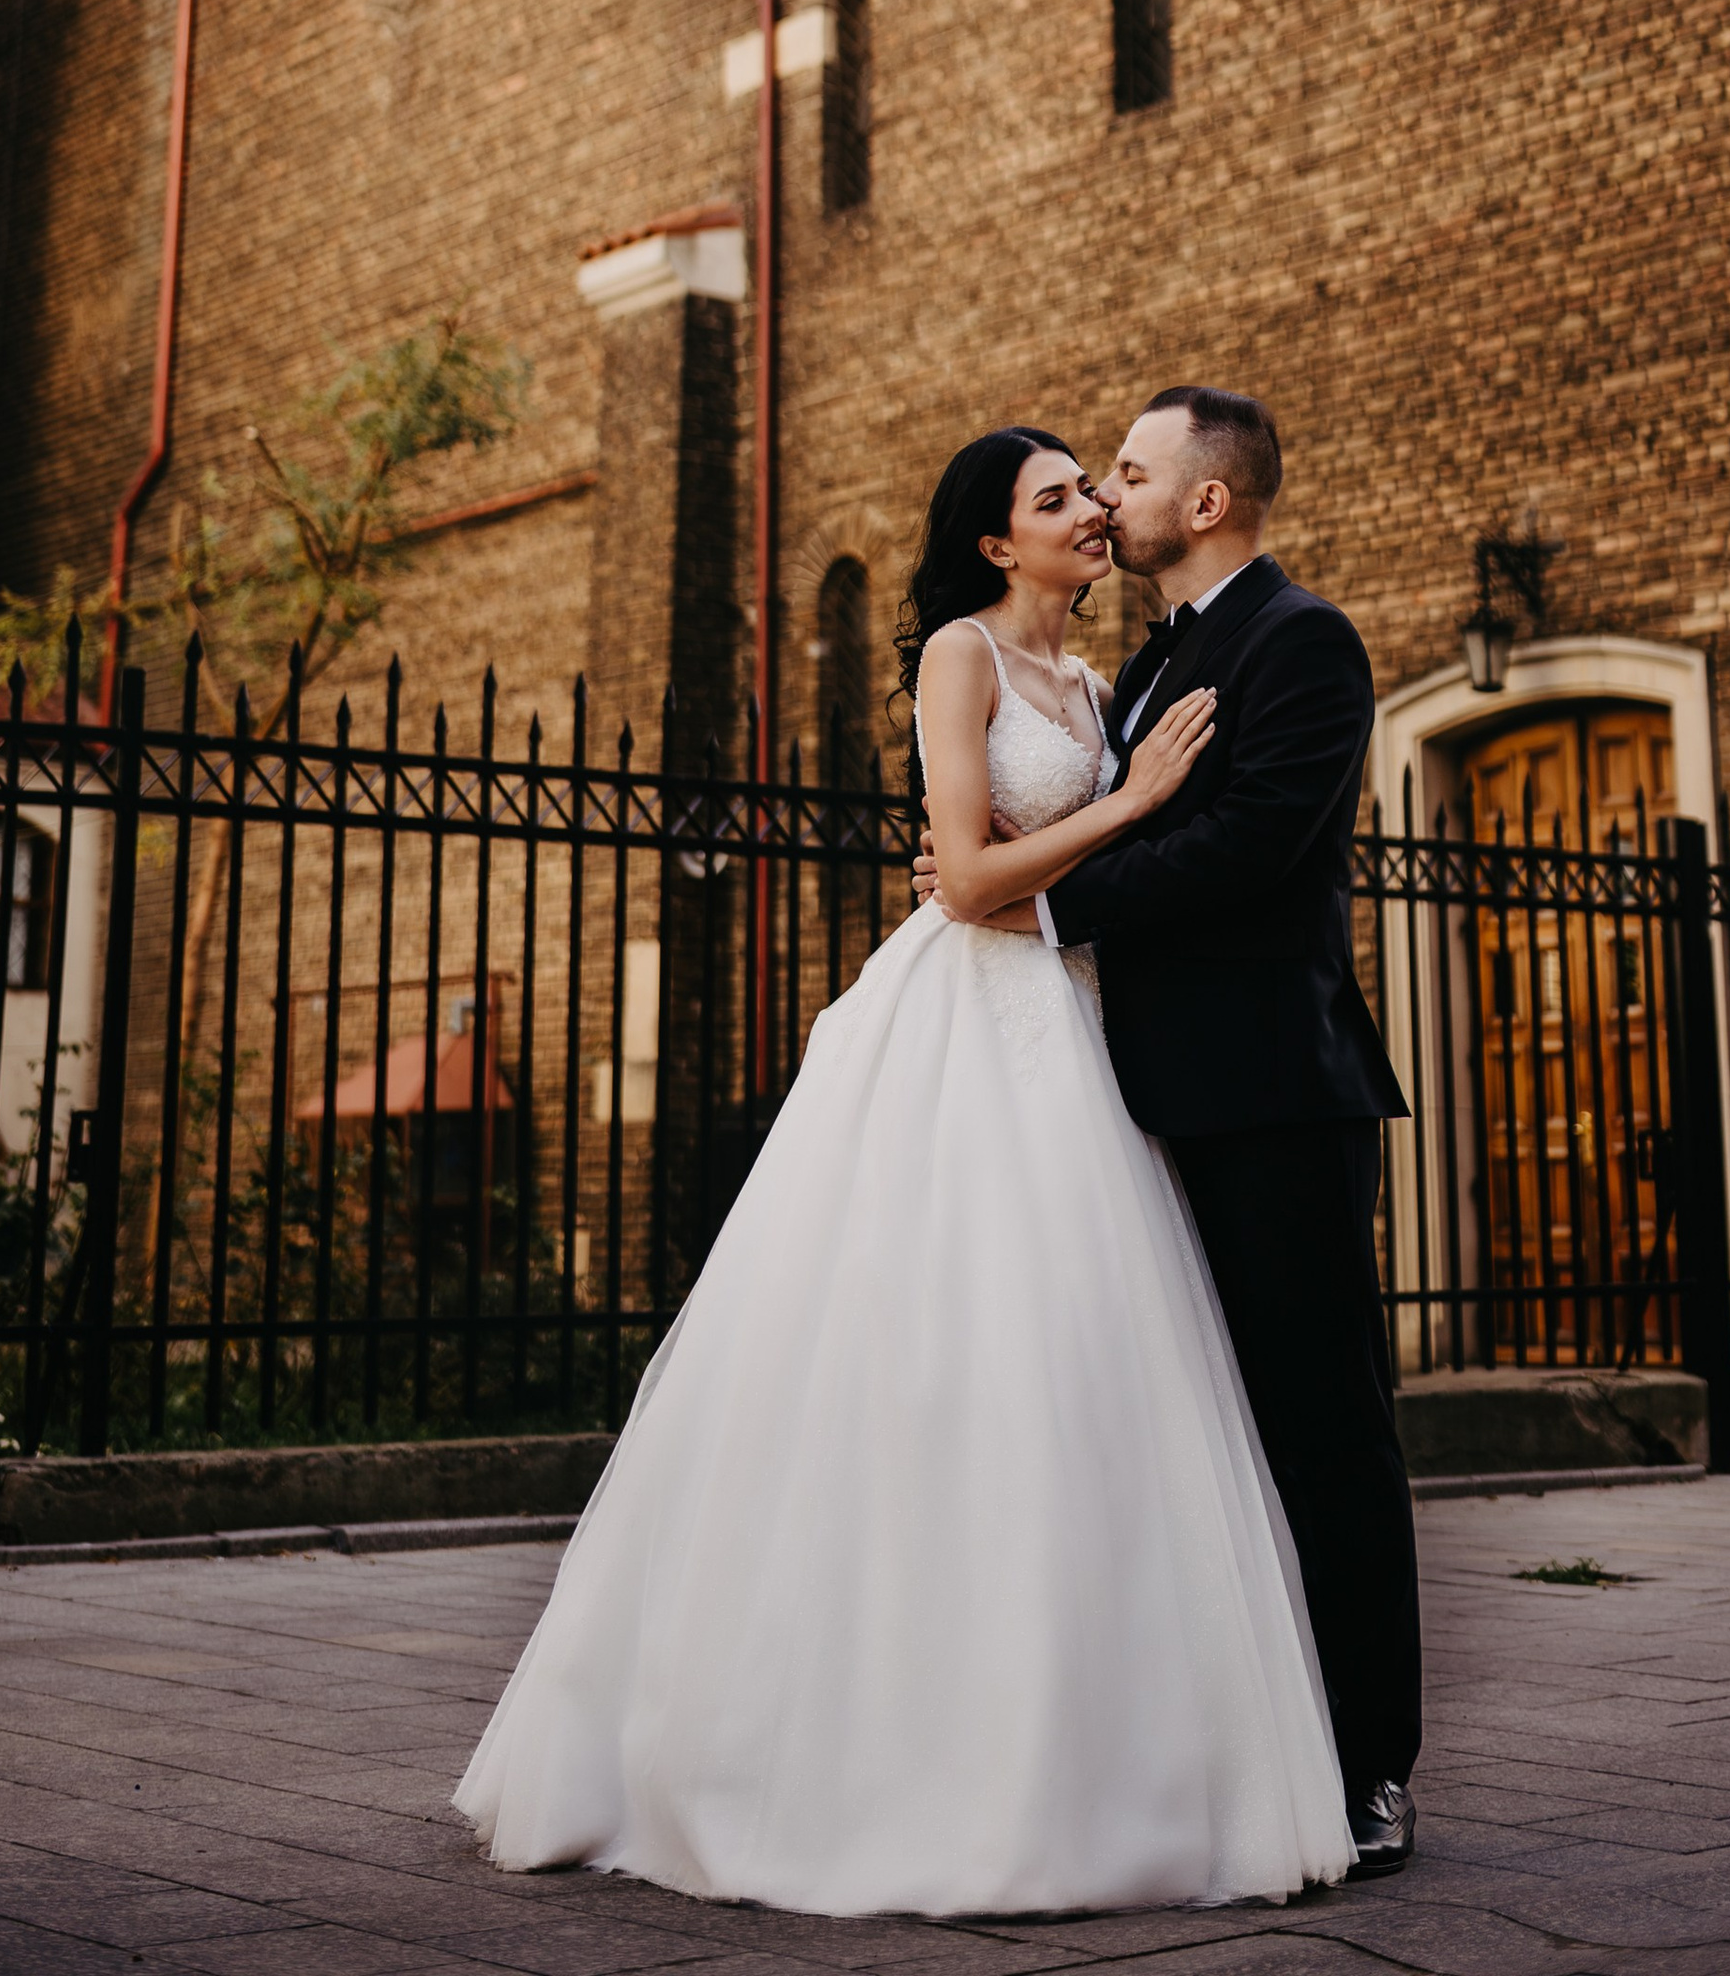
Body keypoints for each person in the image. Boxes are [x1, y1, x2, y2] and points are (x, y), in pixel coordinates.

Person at [455, 423, 1354, 1915]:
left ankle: (1096, 1751)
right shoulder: (961, 655)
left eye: (1098, 487)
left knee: (1082, 1372)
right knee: (930, 1350)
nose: (1092, 508)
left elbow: (1064, 873)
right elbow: (969, 874)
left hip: (1083, 1035)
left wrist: (1095, 829)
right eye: (1060, 496)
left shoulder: (1105, 684)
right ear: (998, 542)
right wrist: (1128, 803)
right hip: (967, 1023)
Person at [921, 387, 1421, 1876]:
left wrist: (1032, 901)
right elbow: (1091, 817)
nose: (1107, 497)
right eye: (1087, 483)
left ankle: (1372, 1766)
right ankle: (1243, 1751)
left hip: (1270, 1096)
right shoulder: (1137, 666)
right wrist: (995, 877)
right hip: (1128, 1102)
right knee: (1199, 1440)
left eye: (1127, 475)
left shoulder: (1301, 642)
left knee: (1322, 1433)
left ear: (1205, 501)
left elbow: (1248, 848)